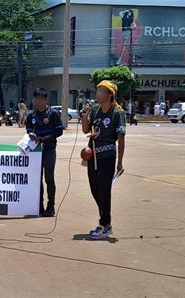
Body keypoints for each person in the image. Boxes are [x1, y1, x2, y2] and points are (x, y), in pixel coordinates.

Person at [82, 80, 125, 240]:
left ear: (109, 95)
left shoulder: (117, 113)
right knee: (95, 190)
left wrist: (119, 162)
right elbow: (86, 129)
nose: (97, 94)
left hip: (107, 156)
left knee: (104, 191)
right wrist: (85, 114)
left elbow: (121, 139)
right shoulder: (94, 109)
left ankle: (105, 225)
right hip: (93, 155)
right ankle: (105, 223)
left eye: (101, 91)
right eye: (97, 91)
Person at [26, 88, 63, 217]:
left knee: (49, 178)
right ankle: (39, 206)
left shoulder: (53, 114)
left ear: (45, 100)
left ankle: (50, 206)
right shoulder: (31, 115)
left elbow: (59, 131)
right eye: (35, 100)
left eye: (40, 99)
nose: (37, 102)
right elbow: (28, 130)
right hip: (35, 151)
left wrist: (44, 139)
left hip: (49, 149)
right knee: (37, 179)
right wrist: (32, 136)